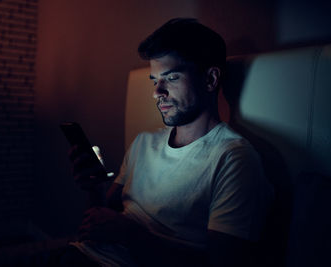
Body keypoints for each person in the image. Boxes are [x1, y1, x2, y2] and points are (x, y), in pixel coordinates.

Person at [68, 18, 274, 267]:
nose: (157, 92)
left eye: (172, 77)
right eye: (155, 80)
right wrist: (92, 187)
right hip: (79, 254)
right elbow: (99, 221)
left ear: (210, 79)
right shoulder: (143, 143)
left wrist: (130, 234)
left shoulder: (232, 158)